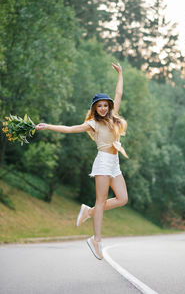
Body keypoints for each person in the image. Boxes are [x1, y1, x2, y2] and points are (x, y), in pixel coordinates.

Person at [35, 63, 128, 261]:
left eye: (105, 105)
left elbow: (118, 93)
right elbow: (69, 129)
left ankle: (89, 211)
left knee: (122, 199)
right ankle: (96, 240)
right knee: (101, 201)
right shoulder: (92, 124)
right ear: (95, 108)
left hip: (115, 162)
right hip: (103, 162)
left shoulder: (113, 118)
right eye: (99, 106)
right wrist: (48, 126)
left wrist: (120, 73)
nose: (103, 108)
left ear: (109, 106)